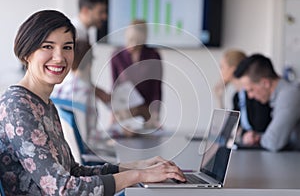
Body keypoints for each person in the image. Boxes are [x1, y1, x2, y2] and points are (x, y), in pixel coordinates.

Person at [0, 10, 186, 195]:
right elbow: (64, 189)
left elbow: (74, 172)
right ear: (26, 53)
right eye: (48, 47)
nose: (59, 57)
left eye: (67, 47)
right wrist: (138, 175)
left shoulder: (44, 104)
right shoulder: (17, 105)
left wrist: (137, 166)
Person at [234, 53, 300, 152]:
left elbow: (273, 142)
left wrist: (260, 138)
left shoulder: (289, 95)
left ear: (265, 83)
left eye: (250, 90)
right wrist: (259, 137)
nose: (250, 96)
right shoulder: (279, 96)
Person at [110, 19, 163, 133]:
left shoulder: (154, 56)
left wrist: (155, 115)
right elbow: (115, 88)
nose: (132, 44)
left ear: (143, 39)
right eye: (129, 40)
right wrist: (113, 115)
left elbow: (156, 90)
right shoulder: (116, 56)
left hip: (146, 115)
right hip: (124, 114)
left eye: (136, 41)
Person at [214, 49, 272, 141]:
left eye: (222, 67)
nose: (220, 71)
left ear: (232, 69)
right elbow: (227, 130)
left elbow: (259, 129)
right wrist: (219, 99)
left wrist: (241, 133)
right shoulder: (237, 97)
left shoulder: (256, 95)